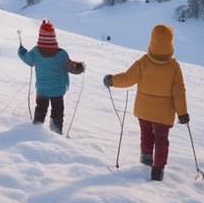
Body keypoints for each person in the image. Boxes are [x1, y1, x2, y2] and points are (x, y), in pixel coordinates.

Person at [103, 24, 189, 181]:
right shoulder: (174, 67)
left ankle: (146, 161)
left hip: (144, 111)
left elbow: (128, 78)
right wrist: (182, 113)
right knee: (161, 141)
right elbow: (179, 92)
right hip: (163, 114)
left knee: (146, 135)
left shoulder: (144, 62)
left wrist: (112, 80)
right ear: (170, 43)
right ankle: (157, 170)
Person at [18, 19, 85, 134]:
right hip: (58, 90)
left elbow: (28, 60)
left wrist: (22, 51)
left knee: (40, 110)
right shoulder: (61, 54)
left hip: (42, 90)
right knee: (57, 113)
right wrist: (81, 67)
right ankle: (56, 132)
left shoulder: (35, 52)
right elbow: (72, 68)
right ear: (54, 37)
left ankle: (36, 130)